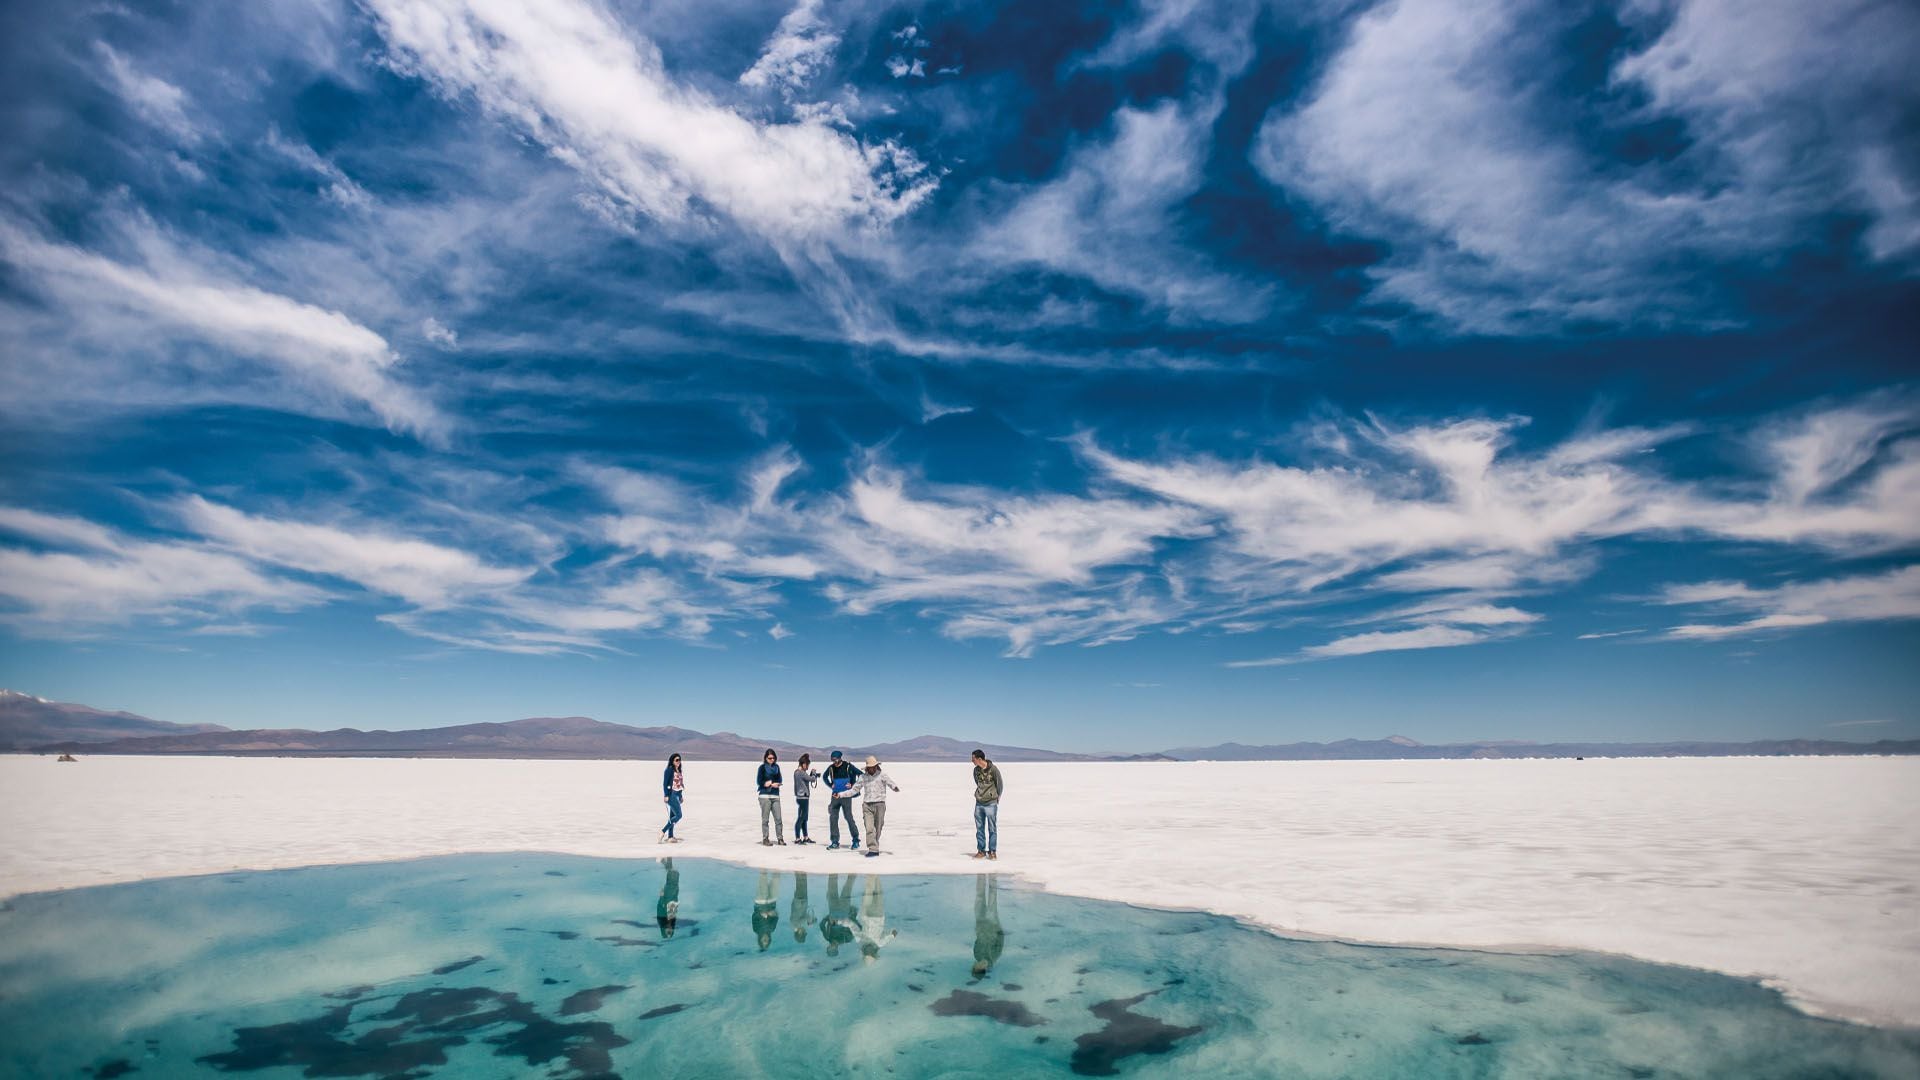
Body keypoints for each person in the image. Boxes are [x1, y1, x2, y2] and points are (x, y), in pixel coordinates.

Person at [851, 755, 900, 857]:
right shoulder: (863, 777)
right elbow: (855, 789)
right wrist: (842, 794)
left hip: (880, 804)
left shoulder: (882, 775)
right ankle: (873, 849)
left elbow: (890, 782)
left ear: (876, 766)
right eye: (869, 767)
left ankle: (875, 845)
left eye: (873, 766)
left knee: (878, 828)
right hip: (867, 805)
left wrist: (894, 787)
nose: (871, 768)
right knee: (869, 828)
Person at [854, 874, 898, 964]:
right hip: (878, 915)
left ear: (864, 952)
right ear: (874, 953)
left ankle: (871, 874)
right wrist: (893, 934)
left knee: (868, 892)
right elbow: (890, 934)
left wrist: (841, 921)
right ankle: (875, 874)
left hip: (866, 914)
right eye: (870, 953)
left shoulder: (861, 940)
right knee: (878, 891)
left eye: (867, 953)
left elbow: (853, 927)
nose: (869, 952)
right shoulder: (879, 943)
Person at [822, 750, 861, 850]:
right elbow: (824, 777)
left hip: (846, 796)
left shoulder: (848, 766)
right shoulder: (831, 768)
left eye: (835, 759)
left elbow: (861, 774)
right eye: (832, 760)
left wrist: (853, 785)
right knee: (833, 818)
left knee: (848, 817)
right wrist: (831, 785)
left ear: (840, 758)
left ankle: (856, 840)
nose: (834, 762)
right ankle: (835, 842)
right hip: (835, 795)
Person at [970, 749, 1005, 860]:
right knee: (979, 828)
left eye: (973, 758)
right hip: (979, 803)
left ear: (979, 759)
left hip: (991, 803)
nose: (972, 761)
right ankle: (981, 851)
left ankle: (992, 851)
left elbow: (1000, 784)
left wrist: (997, 796)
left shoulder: (993, 769)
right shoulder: (976, 770)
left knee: (992, 828)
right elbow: (977, 782)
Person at [971, 873, 1003, 979]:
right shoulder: (994, 956)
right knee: (992, 895)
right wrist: (998, 928)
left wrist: (978, 928)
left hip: (980, 923)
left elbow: (977, 940)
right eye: (974, 967)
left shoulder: (977, 955)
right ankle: (992, 874)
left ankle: (981, 874)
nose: (973, 965)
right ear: (980, 968)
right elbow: (1000, 940)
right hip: (992, 924)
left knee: (979, 896)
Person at [820, 872, 856, 957]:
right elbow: (855, 928)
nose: (830, 946)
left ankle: (833, 870)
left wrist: (827, 918)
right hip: (844, 911)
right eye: (832, 949)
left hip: (833, 911)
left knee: (832, 888)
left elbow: (821, 925)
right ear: (836, 949)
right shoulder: (846, 939)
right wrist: (848, 919)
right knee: (847, 888)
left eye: (828, 948)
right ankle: (854, 870)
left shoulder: (828, 937)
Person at [756, 748, 786, 846]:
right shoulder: (762, 768)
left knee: (778, 819)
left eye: (773, 758)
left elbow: (780, 779)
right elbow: (759, 781)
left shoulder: (777, 767)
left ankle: (780, 839)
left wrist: (776, 784)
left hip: (775, 795)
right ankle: (765, 838)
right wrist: (766, 783)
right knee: (765, 819)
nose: (772, 760)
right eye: (769, 758)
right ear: (765, 758)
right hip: (764, 796)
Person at [792, 753, 820, 844]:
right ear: (803, 764)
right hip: (803, 798)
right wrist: (814, 774)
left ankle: (805, 837)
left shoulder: (798, 772)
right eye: (807, 765)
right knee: (801, 818)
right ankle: (797, 838)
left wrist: (812, 775)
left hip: (802, 797)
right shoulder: (800, 773)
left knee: (804, 818)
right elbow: (812, 779)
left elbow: (808, 778)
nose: (807, 767)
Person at [660, 753, 686, 844]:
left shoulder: (679, 770)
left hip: (678, 794)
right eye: (676, 760)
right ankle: (663, 831)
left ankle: (670, 836)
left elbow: (680, 784)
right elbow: (665, 783)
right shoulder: (669, 770)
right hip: (671, 795)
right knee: (679, 815)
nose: (678, 761)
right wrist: (666, 795)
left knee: (672, 816)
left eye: (679, 760)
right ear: (672, 761)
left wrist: (681, 795)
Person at [753, 869, 779, 951]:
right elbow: (776, 916)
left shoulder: (756, 929)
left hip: (761, 902)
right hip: (772, 903)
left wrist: (761, 913)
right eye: (767, 941)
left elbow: (754, 916)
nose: (765, 940)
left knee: (763, 877)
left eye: (763, 941)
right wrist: (772, 914)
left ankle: (763, 862)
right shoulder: (772, 929)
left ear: (760, 940)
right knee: (776, 878)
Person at [656, 857, 680, 938]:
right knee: (673, 874)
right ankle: (665, 859)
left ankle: (666, 858)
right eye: (671, 931)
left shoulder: (662, 919)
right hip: (673, 895)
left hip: (667, 896)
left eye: (668, 932)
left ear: (664, 930)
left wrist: (661, 896)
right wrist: (676, 895)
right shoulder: (672, 921)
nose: (669, 930)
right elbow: (674, 906)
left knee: (674, 874)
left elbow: (660, 907)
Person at [789, 870, 815, 944]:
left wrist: (810, 921)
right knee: (801, 884)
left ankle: (799, 871)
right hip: (800, 901)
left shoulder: (796, 924)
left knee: (801, 884)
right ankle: (800, 871)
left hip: (800, 901)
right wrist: (810, 920)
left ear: (800, 933)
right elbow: (805, 916)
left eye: (804, 933)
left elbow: (806, 918)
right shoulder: (794, 925)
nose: (805, 930)